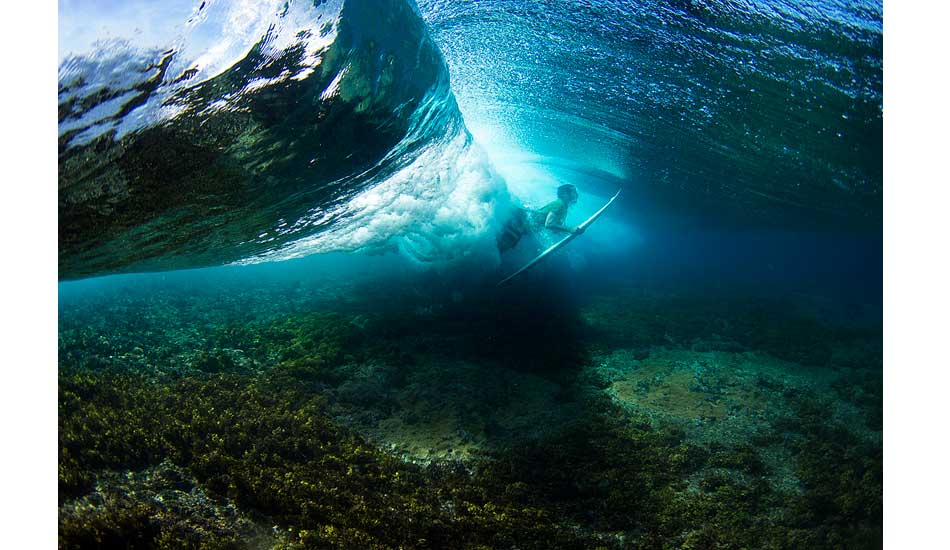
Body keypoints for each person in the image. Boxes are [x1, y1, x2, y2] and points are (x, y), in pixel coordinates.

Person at [496, 184, 583, 252]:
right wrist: (570, 229)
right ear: (564, 194)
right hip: (518, 223)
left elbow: (555, 228)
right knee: (498, 248)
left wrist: (570, 232)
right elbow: (549, 224)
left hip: (520, 225)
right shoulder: (559, 205)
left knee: (497, 248)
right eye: (573, 191)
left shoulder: (563, 207)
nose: (576, 194)